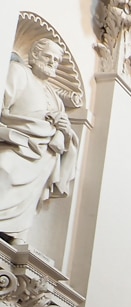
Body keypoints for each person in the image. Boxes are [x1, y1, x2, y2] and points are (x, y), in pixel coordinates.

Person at [0, 38, 80, 243]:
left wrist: (65, 129)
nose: (52, 62)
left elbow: (63, 136)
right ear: (34, 56)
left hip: (41, 158)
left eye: (56, 60)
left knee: (30, 195)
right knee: (4, 168)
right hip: (15, 143)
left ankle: (17, 233)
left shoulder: (54, 95)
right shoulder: (18, 72)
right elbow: (3, 106)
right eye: (48, 57)